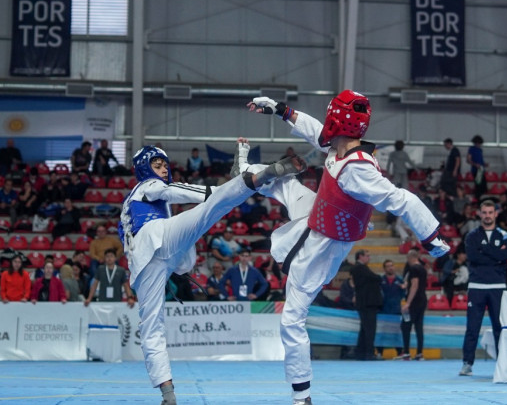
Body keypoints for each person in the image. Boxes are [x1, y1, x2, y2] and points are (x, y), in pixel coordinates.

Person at [248, 91, 448, 404]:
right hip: (317, 214)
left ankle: (302, 396)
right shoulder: (336, 148)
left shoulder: (357, 169)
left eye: (330, 114)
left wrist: (432, 238)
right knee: (277, 179)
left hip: (324, 245)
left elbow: (401, 199)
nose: (326, 120)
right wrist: (280, 109)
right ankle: (239, 175)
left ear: (338, 119)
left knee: (291, 319)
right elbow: (315, 130)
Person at [118, 145, 303, 404]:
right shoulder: (146, 186)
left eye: (164, 165)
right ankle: (253, 178)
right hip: (156, 240)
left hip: (146, 263)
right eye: (156, 165)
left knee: (151, 327)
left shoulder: (135, 204)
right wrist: (215, 192)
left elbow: (179, 261)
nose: (162, 170)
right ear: (144, 168)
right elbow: (170, 191)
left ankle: (167, 394)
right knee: (211, 208)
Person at [460, 200, 507, 376]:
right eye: (485, 212)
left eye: (491, 212)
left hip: (498, 287)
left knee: (500, 327)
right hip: (476, 287)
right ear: (480, 214)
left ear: (496, 213)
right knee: (472, 327)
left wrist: (484, 250)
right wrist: (494, 255)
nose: (488, 215)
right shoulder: (471, 236)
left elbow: (505, 256)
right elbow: (473, 257)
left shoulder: (505, 235)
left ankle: (502, 363)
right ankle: (467, 363)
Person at [349, 250, 382, 361]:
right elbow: (376, 277)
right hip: (367, 302)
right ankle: (368, 352)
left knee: (364, 328)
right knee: (369, 329)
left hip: (364, 302)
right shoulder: (360, 268)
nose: (369, 258)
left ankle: (361, 351)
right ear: (360, 256)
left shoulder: (358, 269)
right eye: (367, 256)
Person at [401, 250, 427, 361]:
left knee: (406, 326)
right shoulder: (422, 268)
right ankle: (419, 353)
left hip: (414, 301)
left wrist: (408, 303)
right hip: (422, 299)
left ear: (411, 258)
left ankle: (406, 352)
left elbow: (414, 286)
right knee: (419, 327)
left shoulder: (413, 269)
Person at [466, 135, 487, 200]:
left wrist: (484, 164)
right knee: (478, 186)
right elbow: (468, 160)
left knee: (483, 186)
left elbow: (481, 161)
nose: (478, 144)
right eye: (477, 143)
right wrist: (475, 165)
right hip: (476, 170)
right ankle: (477, 199)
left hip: (481, 169)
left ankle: (480, 198)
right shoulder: (471, 149)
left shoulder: (480, 150)